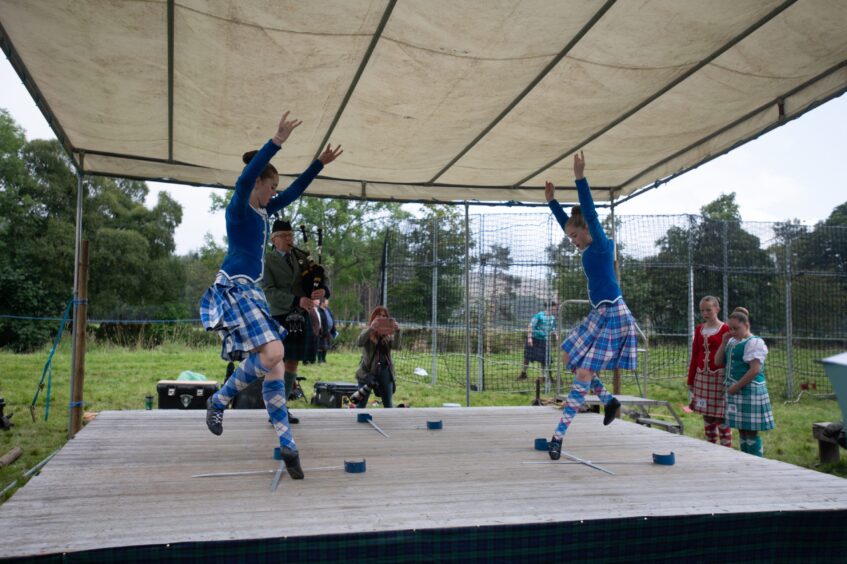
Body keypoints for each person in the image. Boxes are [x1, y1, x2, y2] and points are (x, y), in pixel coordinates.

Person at [199, 110, 342, 479]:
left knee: (275, 366)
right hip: (235, 285)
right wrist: (276, 141)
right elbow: (247, 176)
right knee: (276, 351)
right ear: (259, 184)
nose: (275, 192)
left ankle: (287, 444)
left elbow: (293, 192)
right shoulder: (240, 208)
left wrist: (317, 166)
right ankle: (218, 399)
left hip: (254, 294)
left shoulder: (265, 212)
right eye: (271, 185)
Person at [544, 151, 636, 460]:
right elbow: (567, 223)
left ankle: (558, 437)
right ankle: (608, 400)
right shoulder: (583, 241)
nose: (571, 240)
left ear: (586, 231)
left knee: (582, 374)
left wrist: (579, 177)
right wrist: (552, 202)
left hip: (613, 313)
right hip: (599, 313)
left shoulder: (600, 242)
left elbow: (591, 215)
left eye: (574, 235)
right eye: (569, 236)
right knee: (570, 353)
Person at [262, 219, 330, 413]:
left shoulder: (301, 256)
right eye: (285, 236)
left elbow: (319, 275)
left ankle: (281, 406)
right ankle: (273, 406)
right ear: (274, 240)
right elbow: (268, 291)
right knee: (277, 361)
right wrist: (295, 300)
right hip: (280, 315)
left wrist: (322, 290)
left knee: (292, 360)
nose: (289, 239)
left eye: (291, 235)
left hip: (301, 315)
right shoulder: (267, 261)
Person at [714, 307, 775, 456]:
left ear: (746, 325)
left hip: (749, 390)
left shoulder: (755, 342)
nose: (733, 331)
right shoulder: (732, 342)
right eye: (731, 328)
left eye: (737, 328)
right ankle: (745, 458)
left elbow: (755, 370)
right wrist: (723, 343)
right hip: (736, 390)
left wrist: (735, 387)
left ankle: (756, 459)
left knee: (751, 431)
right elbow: (717, 361)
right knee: (742, 429)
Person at [687, 296, 732, 447]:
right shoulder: (700, 329)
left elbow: (730, 354)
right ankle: (710, 444)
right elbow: (695, 355)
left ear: (717, 309)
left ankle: (726, 446)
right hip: (702, 377)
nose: (705, 313)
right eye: (702, 310)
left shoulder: (726, 329)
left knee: (721, 414)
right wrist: (691, 380)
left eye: (708, 309)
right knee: (706, 412)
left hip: (719, 377)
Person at [354, 306, 401, 408]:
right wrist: (372, 328)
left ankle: (388, 423)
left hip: (385, 370)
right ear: (373, 317)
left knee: (388, 404)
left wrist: (397, 332)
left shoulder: (388, 334)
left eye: (384, 316)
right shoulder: (367, 331)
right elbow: (359, 342)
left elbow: (397, 346)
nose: (381, 317)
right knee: (361, 404)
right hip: (367, 372)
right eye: (378, 315)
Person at [517, 301, 559, 380]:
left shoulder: (553, 318)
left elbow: (553, 329)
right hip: (534, 339)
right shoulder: (539, 315)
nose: (555, 310)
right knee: (527, 357)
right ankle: (523, 373)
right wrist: (529, 338)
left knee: (544, 359)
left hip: (544, 340)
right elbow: (530, 326)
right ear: (549, 307)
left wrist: (556, 335)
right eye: (554, 308)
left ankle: (543, 377)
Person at [316, 297, 338, 364]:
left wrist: (333, 328)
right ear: (322, 303)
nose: (327, 303)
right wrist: (321, 331)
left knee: (326, 347)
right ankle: (320, 360)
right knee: (320, 346)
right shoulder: (319, 310)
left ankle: (324, 359)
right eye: (326, 302)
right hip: (322, 332)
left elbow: (331, 318)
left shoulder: (328, 309)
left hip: (328, 331)